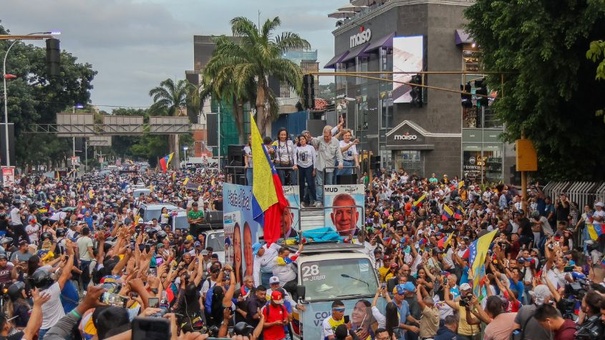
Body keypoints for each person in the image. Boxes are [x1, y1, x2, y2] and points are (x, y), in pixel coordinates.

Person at [308, 125, 344, 206]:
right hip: (320, 165)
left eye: (327, 136)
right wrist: (310, 138)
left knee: (329, 183)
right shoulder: (320, 139)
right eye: (325, 136)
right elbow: (314, 142)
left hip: (330, 166)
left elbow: (338, 153)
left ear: (331, 134)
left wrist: (340, 163)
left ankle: (329, 200)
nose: (326, 138)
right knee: (319, 184)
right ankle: (319, 201)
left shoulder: (336, 141)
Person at [296, 134, 317, 208]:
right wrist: (295, 165)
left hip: (309, 166)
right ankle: (301, 200)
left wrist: (314, 168)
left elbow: (314, 158)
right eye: (300, 139)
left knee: (311, 184)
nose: (302, 140)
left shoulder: (311, 147)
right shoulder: (297, 148)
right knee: (301, 184)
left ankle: (315, 200)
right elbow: (295, 157)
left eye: (303, 139)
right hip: (300, 167)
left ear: (306, 140)